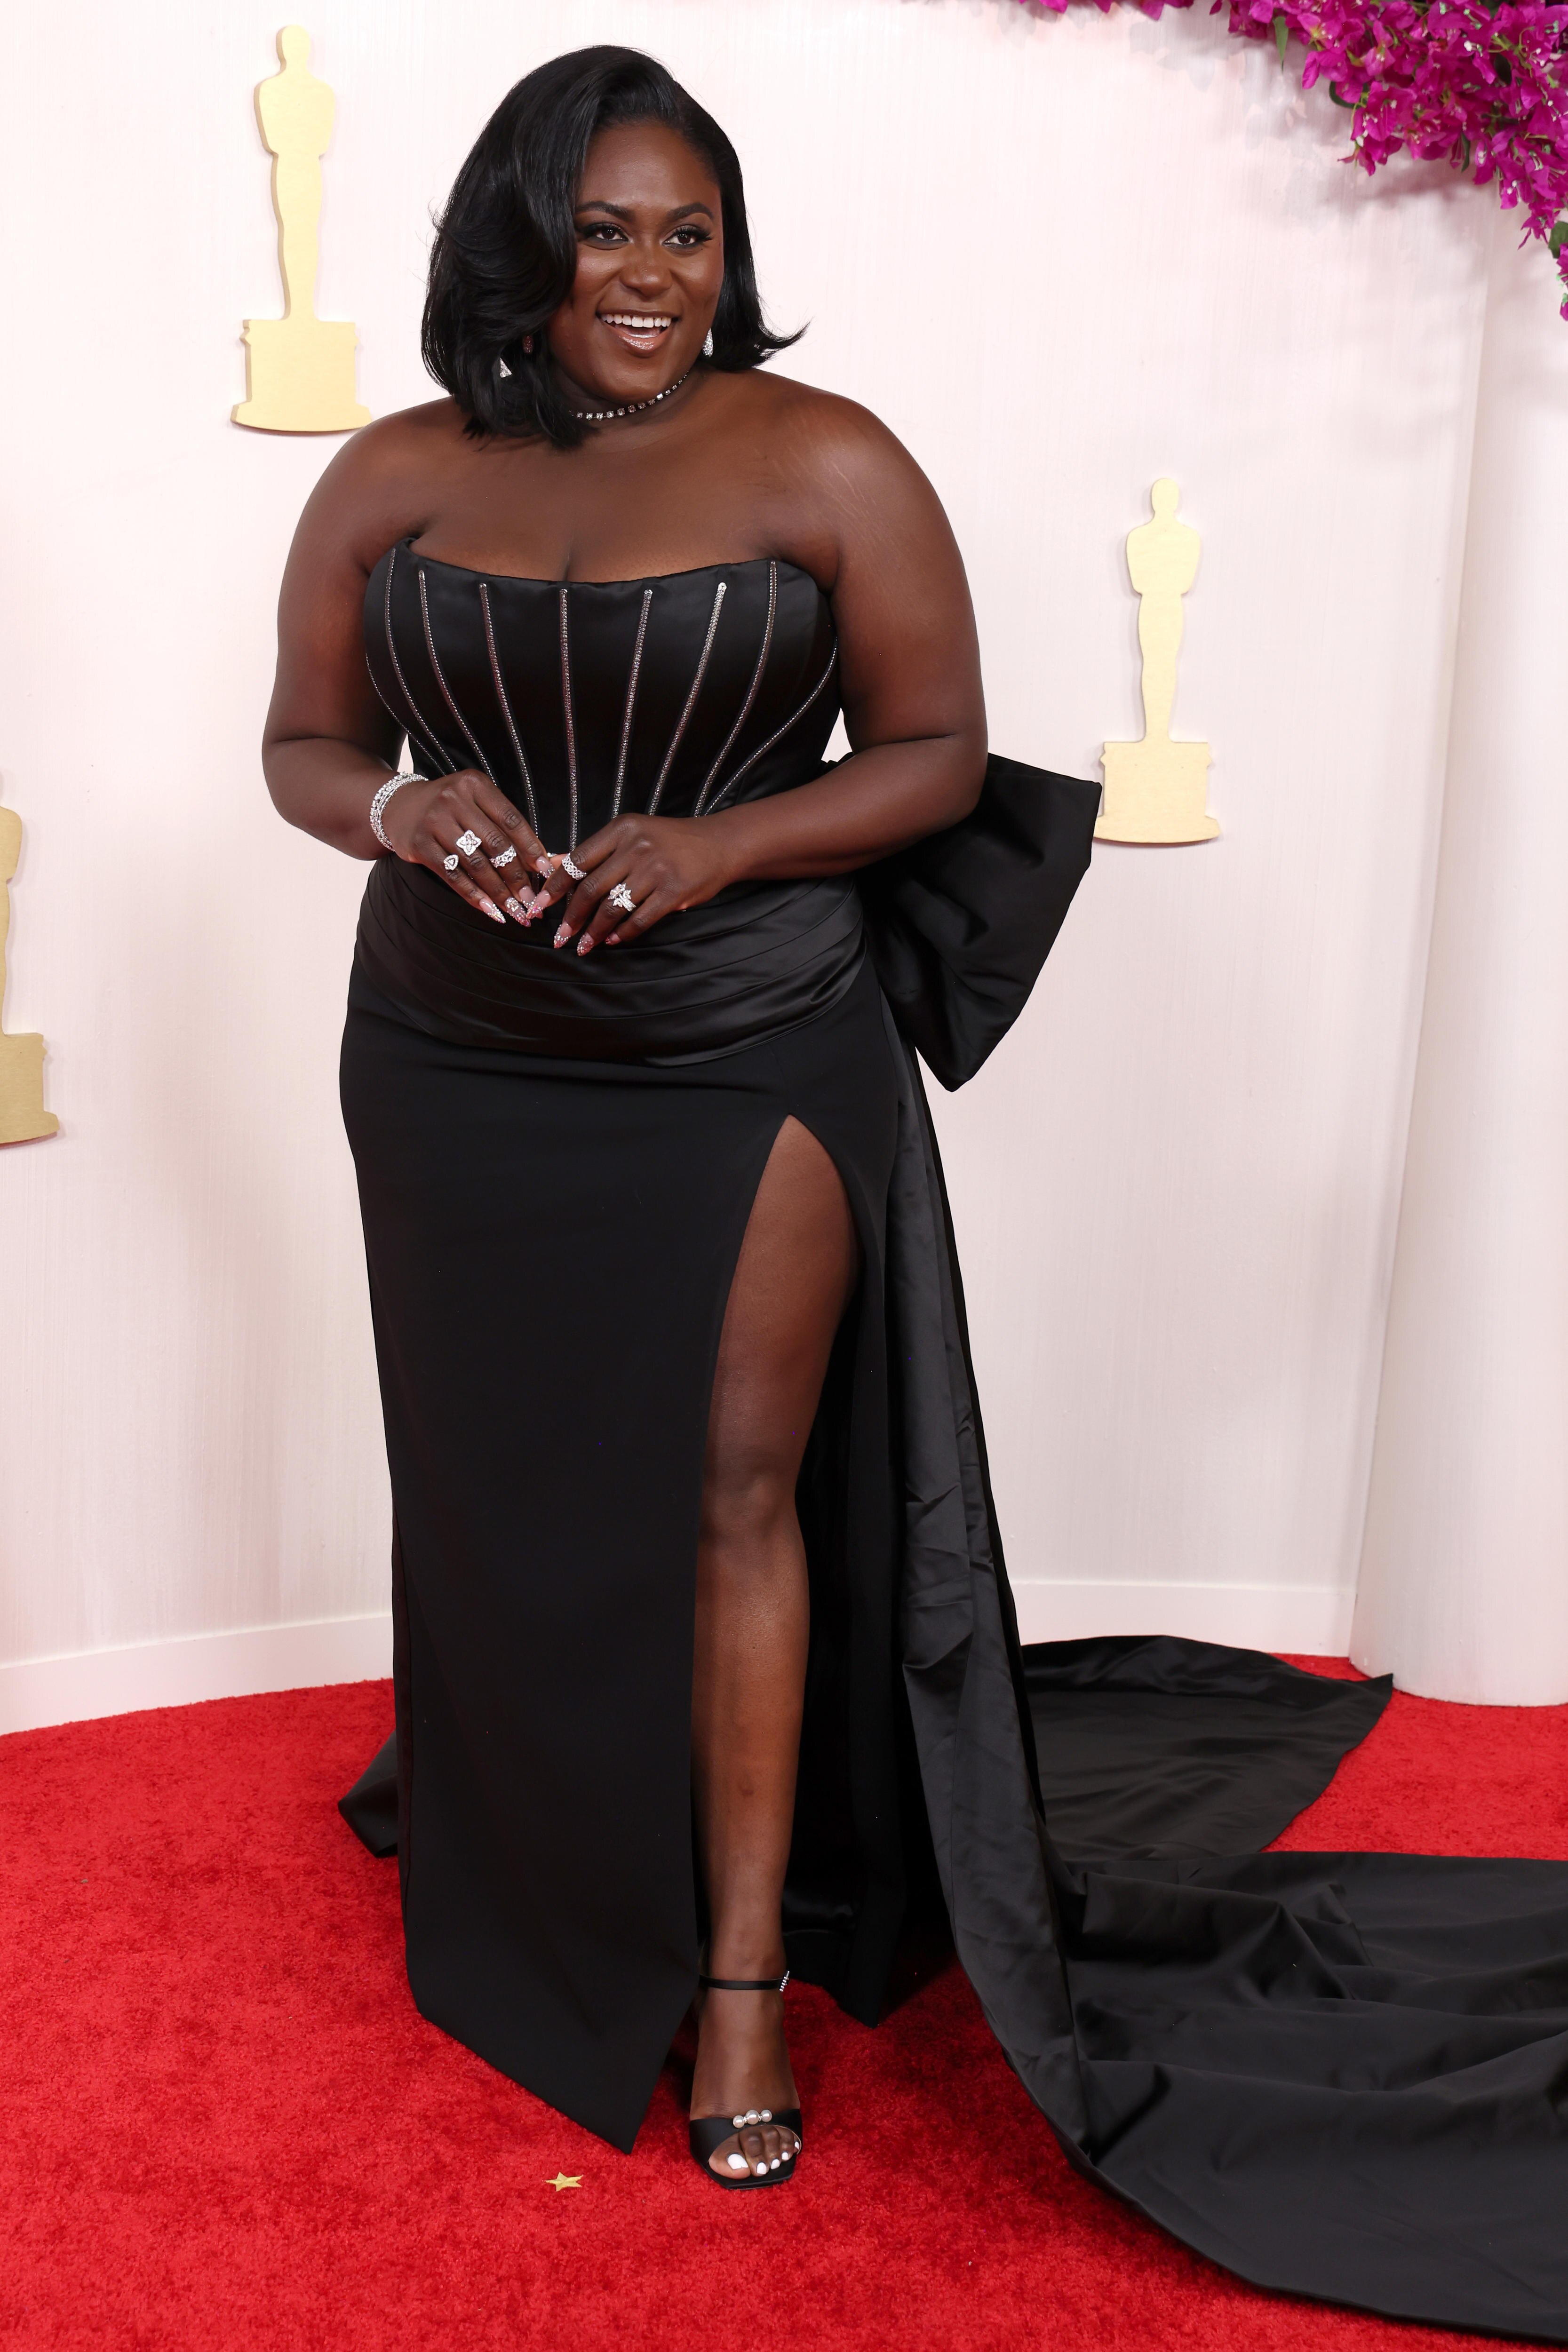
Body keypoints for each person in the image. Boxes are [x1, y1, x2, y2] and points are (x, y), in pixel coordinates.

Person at [265, 44, 1568, 2335]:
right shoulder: (389, 475)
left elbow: (937, 750)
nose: (654, 275)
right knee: (498, 1481)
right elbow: (301, 742)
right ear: (519, 239)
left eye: (690, 232)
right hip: (458, 1054)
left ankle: (747, 1980)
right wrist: (406, 812)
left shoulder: (829, 455)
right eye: (607, 229)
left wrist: (714, 844)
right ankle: (559, 1882)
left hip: (746, 1038)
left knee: (734, 1491)